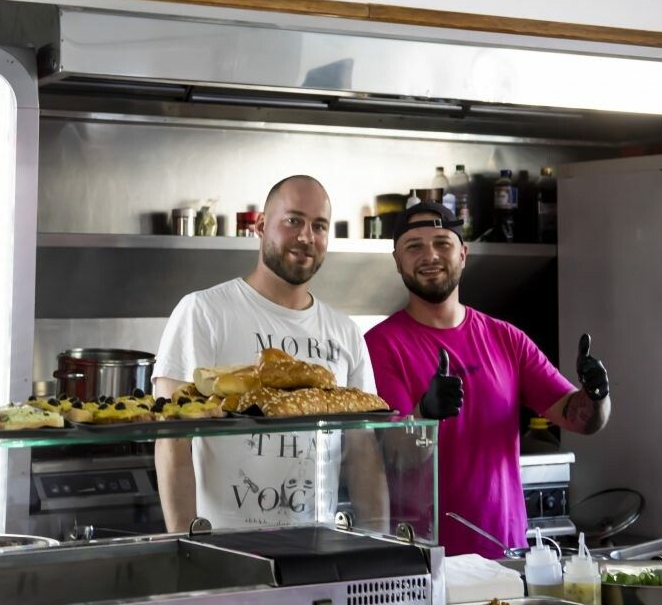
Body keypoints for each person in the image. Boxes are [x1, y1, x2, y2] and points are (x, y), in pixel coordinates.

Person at [364, 201, 611, 558]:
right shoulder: (379, 346)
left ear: (463, 254)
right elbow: (395, 457)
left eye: (442, 243)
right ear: (397, 261)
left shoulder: (507, 339)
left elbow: (580, 419)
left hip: (506, 555)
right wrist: (424, 415)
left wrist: (597, 395)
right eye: (414, 246)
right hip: (424, 561)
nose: (430, 255)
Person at [153, 174, 388, 533]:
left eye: (319, 226)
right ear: (261, 227)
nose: (307, 237)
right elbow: (172, 441)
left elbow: (363, 453)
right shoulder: (204, 311)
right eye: (293, 220)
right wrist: (186, 546)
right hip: (225, 546)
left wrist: (379, 543)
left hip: (317, 547)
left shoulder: (345, 332)